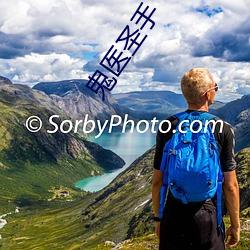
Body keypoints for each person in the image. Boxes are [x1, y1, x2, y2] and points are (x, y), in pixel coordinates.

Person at [152, 68, 240, 250]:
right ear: (208, 94)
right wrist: (235, 225)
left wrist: (158, 218)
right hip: (207, 215)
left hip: (174, 212)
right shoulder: (222, 129)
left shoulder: (168, 125)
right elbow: (230, 185)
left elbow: (157, 181)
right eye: (216, 87)